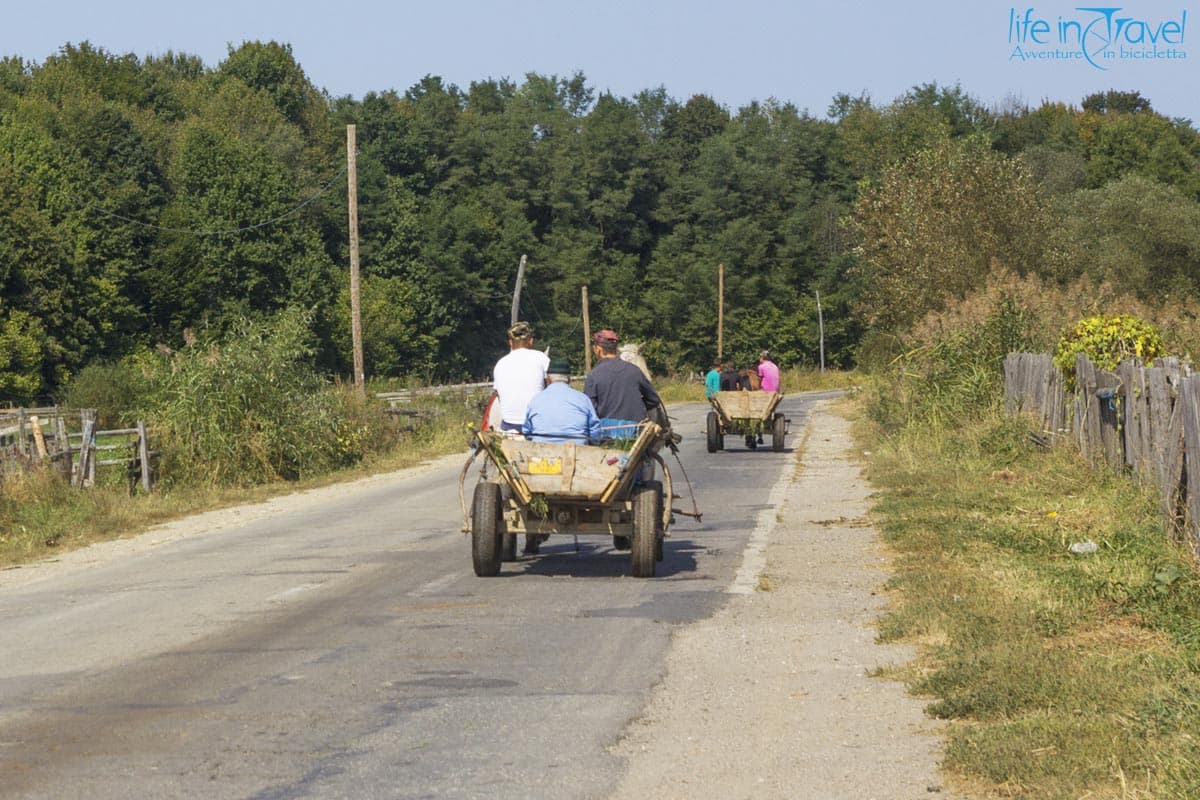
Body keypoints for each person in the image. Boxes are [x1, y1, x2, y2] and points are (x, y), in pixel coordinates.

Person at [585, 329, 662, 441]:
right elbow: (653, 400)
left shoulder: (593, 375)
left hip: (606, 436)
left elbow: (589, 409)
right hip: (636, 433)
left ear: (598, 349)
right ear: (616, 349)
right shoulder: (634, 371)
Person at [523, 358, 602, 444]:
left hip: (542, 454)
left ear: (548, 379)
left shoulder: (535, 400)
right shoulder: (583, 399)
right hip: (577, 453)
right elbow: (595, 432)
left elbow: (527, 432)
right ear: (569, 379)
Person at [492, 321, 549, 434]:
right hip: (536, 424)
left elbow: (498, 395)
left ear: (510, 342)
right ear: (531, 341)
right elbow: (552, 388)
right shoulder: (541, 358)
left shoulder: (500, 364)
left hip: (508, 425)